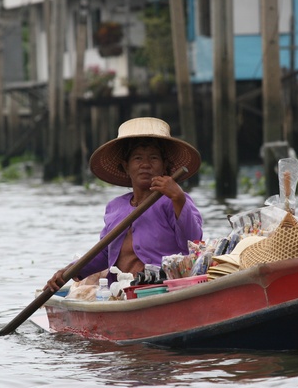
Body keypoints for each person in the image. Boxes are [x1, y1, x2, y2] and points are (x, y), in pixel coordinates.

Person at [45, 117, 203, 292]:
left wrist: (178, 198)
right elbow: (104, 254)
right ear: (126, 166)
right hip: (121, 290)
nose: (145, 165)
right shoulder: (115, 207)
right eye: (137, 158)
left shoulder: (174, 200)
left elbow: (193, 243)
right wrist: (68, 271)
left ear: (164, 165)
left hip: (162, 288)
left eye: (153, 158)